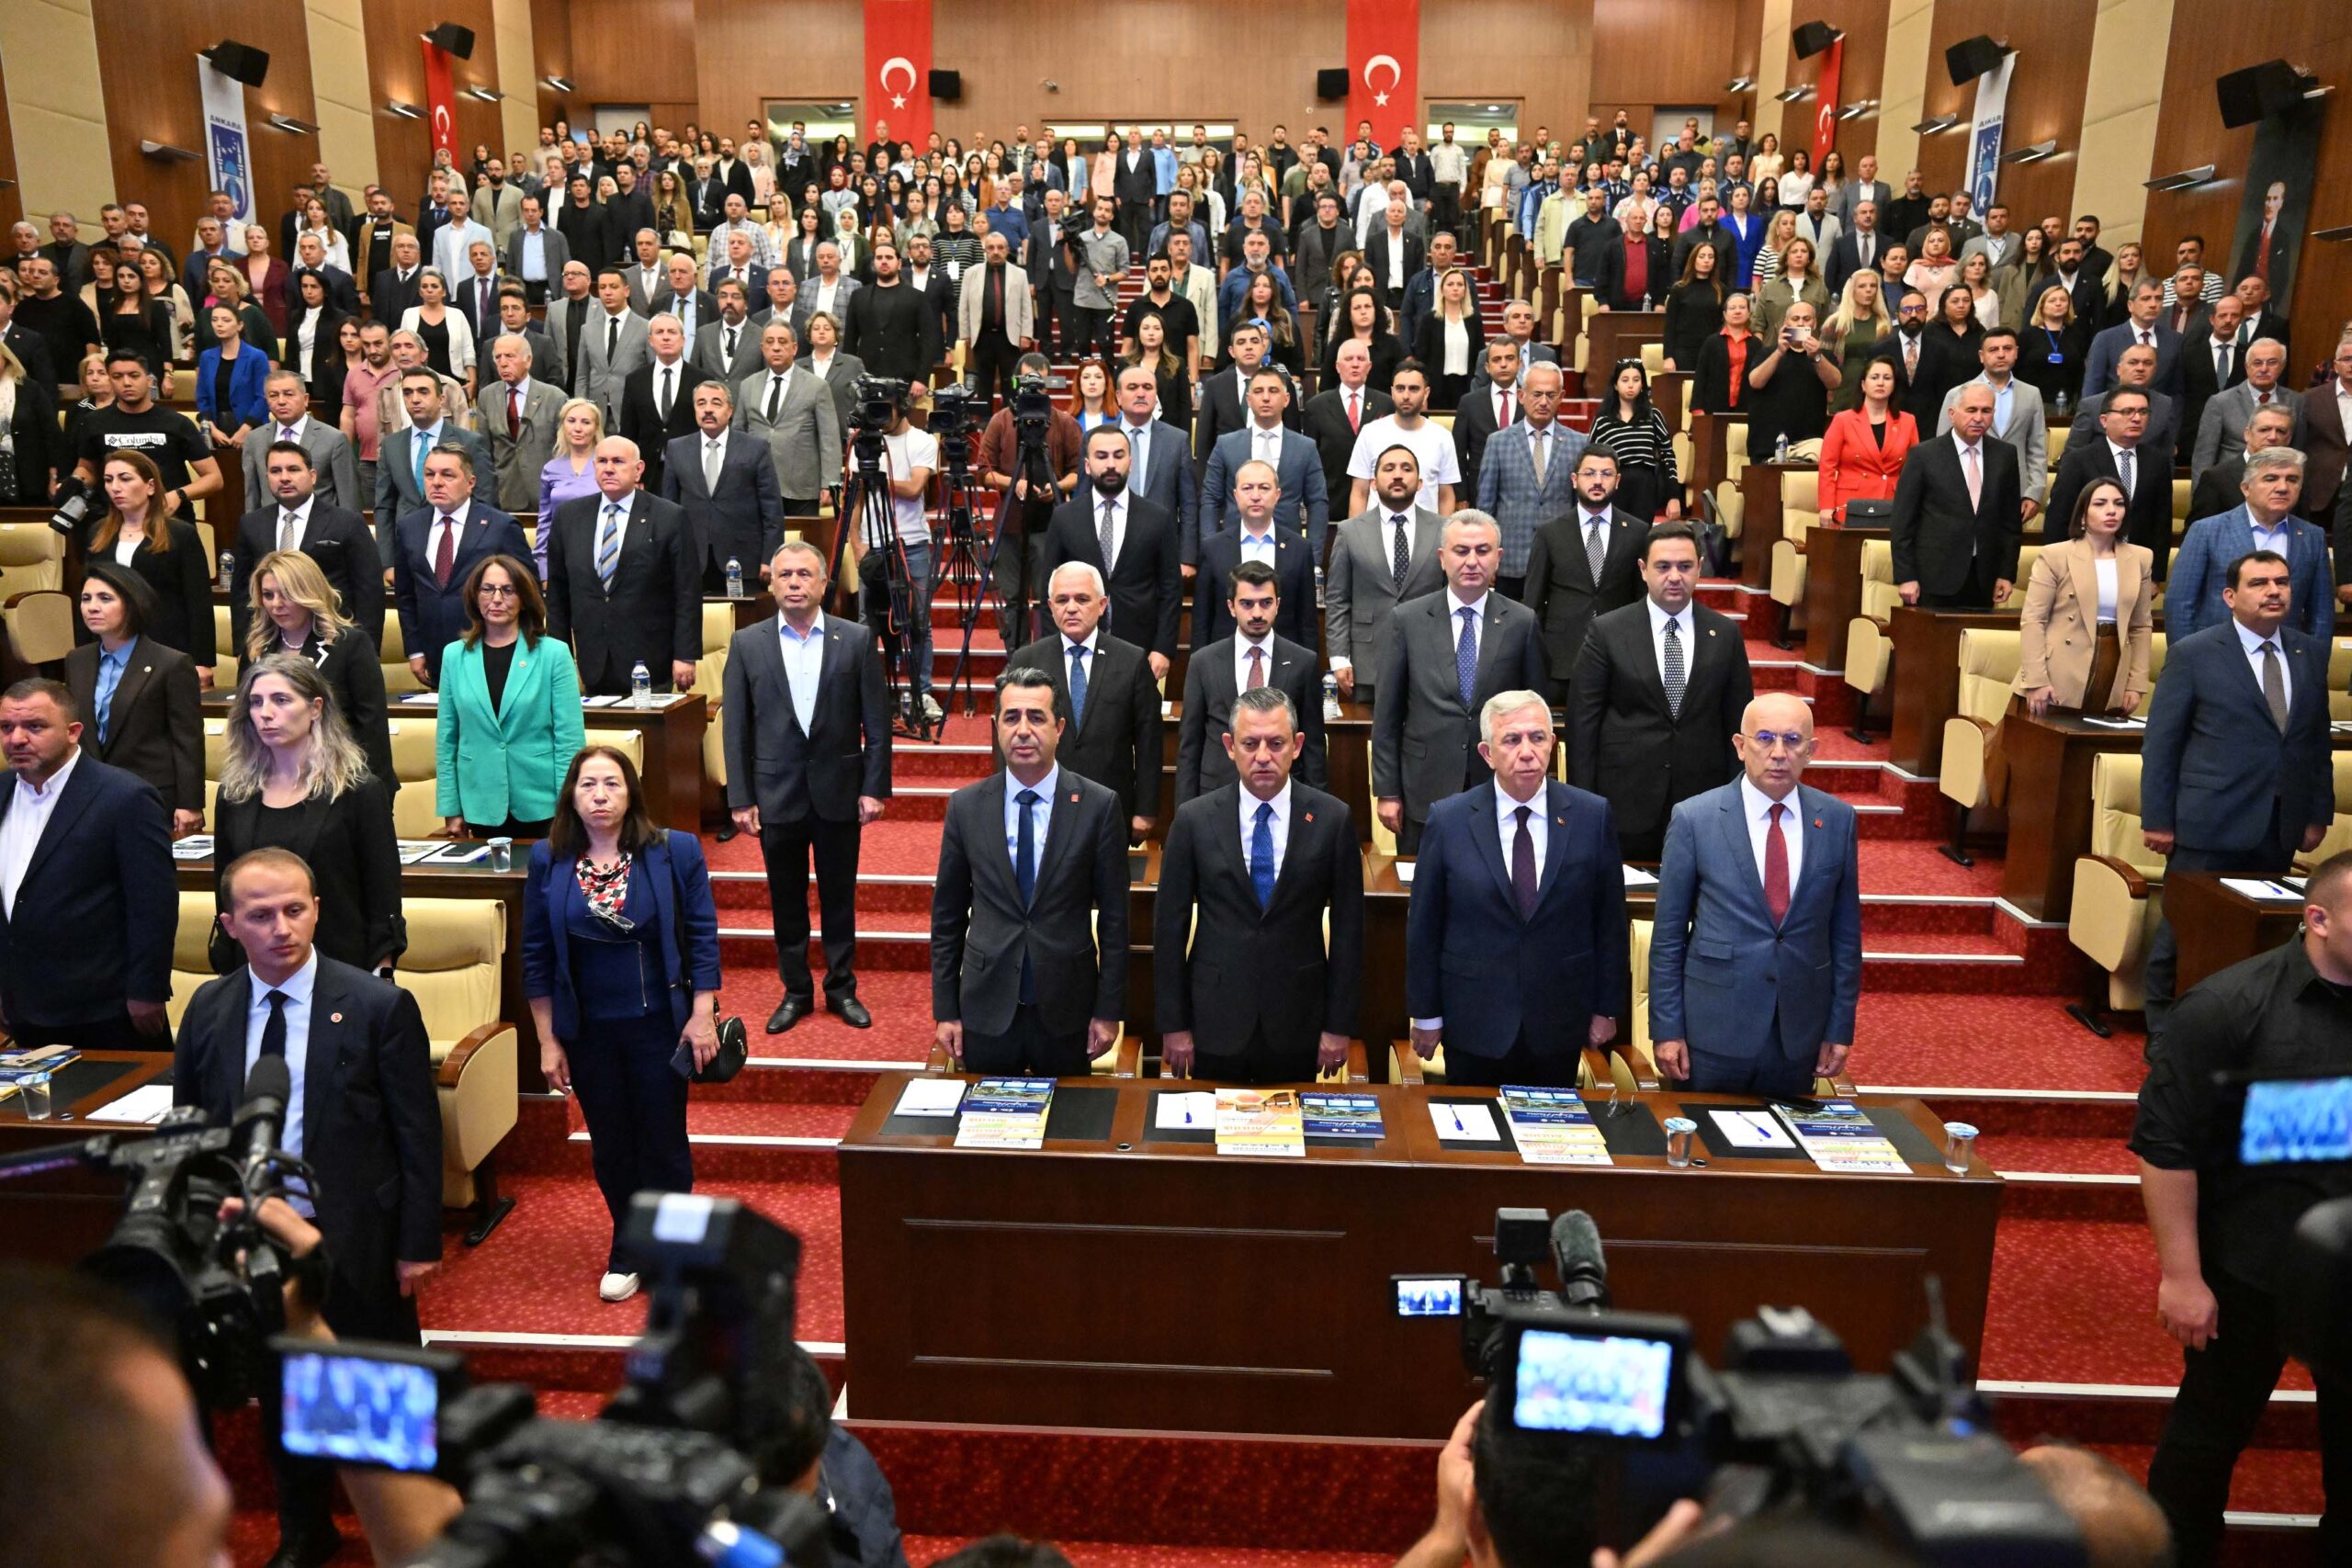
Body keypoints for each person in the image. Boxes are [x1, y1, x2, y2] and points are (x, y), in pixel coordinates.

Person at [2131, 854, 2352, 1567]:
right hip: (2250, 1269)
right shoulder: (2227, 1006)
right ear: (2317, 919)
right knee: (2204, 1443)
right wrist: (2182, 1276)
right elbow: (2167, 1147)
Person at [524, 745, 719, 1302]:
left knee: (663, 1143)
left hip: (660, 1025)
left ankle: (677, 1251)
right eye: (588, 785)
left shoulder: (673, 851)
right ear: (572, 796)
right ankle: (628, 1247)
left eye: (611, 783)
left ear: (631, 791)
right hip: (588, 1032)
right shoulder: (548, 858)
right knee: (611, 1145)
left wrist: (702, 1015)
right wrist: (546, 1039)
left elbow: (702, 935)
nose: (600, 795)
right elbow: (535, 955)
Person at [2139, 549, 2335, 1033]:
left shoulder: (2307, 652)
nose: (2274, 591)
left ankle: (2247, 1033)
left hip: (2279, 822)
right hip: (2208, 822)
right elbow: (2161, 745)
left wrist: (2317, 812)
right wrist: (2157, 818)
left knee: (2266, 937)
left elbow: (2315, 740)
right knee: (2184, 933)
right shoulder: (2194, 653)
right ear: (2230, 596)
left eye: (2282, 582)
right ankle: (2163, 1036)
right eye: (2259, 583)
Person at [1405, 690, 1627, 1089]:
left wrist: (1605, 1007)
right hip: (1473, 1019)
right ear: (1487, 753)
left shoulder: (1591, 815)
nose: (1527, 751)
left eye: (1537, 738)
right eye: (1512, 740)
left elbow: (1609, 920)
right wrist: (1426, 1014)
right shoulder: (1449, 819)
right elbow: (1425, 926)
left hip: (1558, 1019)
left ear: (1553, 745)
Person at [1649, 690, 1862, 1097]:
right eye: (1765, 739)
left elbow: (1845, 935)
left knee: (1786, 1157)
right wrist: (1667, 1029)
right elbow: (1668, 937)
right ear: (1740, 746)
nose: (1779, 753)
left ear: (1812, 750)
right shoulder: (1695, 818)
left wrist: (1839, 1026)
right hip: (1712, 1032)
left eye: (1792, 740)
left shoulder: (1838, 820)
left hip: (1798, 1034)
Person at [724, 541, 890, 1032]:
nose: (794, 583)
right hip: (777, 794)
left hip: (840, 790)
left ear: (823, 584)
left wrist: (874, 787)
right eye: (785, 575)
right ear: (771, 584)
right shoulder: (747, 642)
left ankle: (841, 988)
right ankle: (796, 990)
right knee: (786, 900)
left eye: (804, 574)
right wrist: (741, 797)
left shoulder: (856, 639)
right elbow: (736, 729)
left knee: (840, 897)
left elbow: (877, 724)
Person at [931, 667, 1128, 1076]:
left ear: (1058, 727)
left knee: (1068, 1132)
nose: (1023, 730)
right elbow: (947, 918)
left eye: (1036, 718)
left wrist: (1108, 1011)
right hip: (986, 1006)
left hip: (1067, 1008)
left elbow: (1115, 921)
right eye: (1011, 717)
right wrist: (946, 1009)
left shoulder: (1098, 805)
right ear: (996, 726)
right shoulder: (966, 807)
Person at [1157, 687, 1360, 1084]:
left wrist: (1338, 1025)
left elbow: (1350, 933)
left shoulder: (1333, 819)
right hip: (1213, 1020)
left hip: (1298, 1019)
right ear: (1230, 747)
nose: (1263, 756)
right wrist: (1173, 1024)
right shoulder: (1194, 820)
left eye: (1276, 743)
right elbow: (1168, 930)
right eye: (1250, 743)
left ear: (1298, 746)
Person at [1566, 522, 1756, 863]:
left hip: (1703, 800)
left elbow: (1738, 725)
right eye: (1663, 567)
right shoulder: (1608, 631)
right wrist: (1585, 802)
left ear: (1699, 567)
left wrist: (1736, 799)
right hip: (1626, 798)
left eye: (1684, 566)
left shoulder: (1724, 633)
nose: (1674, 576)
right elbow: (1583, 723)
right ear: (1643, 570)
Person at [0, 679, 175, 1049]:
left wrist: (147, 988)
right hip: (24, 1007)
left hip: (107, 1010)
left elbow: (153, 904)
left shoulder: (124, 797)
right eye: (6, 727)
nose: (16, 739)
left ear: (73, 732)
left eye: (34, 727)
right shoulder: (1, 792)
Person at [210, 652, 402, 981]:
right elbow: (226, 896)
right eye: (256, 703)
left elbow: (382, 897)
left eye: (281, 700)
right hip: (255, 972)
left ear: (315, 708)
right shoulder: (234, 794)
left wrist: (380, 976)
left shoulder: (358, 791)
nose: (266, 714)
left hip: (343, 969)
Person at [1373, 513, 1547, 852]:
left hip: (1499, 785)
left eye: (1482, 551)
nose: (1471, 561)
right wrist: (1387, 791)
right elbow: (1387, 714)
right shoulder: (1407, 620)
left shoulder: (1521, 622)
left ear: (1498, 558)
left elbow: (1534, 712)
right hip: (1423, 786)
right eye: (1461, 550)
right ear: (1442, 557)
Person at [434, 555, 585, 839]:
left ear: (524, 598)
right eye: (487, 589)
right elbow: (447, 739)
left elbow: (570, 740)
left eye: (508, 590)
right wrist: (451, 808)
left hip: (542, 803)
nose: (497, 598)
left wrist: (570, 805)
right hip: (480, 802)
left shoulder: (553, 654)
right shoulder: (454, 655)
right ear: (475, 596)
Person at [1011, 563, 1162, 841]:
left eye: (1082, 599)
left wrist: (1145, 809)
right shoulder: (1027, 660)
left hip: (1110, 807)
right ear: (1050, 606)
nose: (1071, 608)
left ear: (1102, 604)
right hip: (1042, 806)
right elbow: (1009, 737)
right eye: (1062, 600)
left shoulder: (1131, 660)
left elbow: (1148, 740)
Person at [63, 563, 202, 835]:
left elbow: (187, 738)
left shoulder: (171, 663)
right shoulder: (77, 660)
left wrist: (190, 803)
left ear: (131, 603)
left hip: (149, 794)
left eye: (105, 599)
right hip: (89, 792)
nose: (92, 607)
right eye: (86, 599)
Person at [1175, 558, 1328, 805]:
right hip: (1215, 793)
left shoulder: (1304, 662)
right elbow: (1189, 746)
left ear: (1278, 605)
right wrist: (1184, 811)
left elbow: (1314, 748)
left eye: (1266, 603)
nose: (1257, 613)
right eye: (1247, 604)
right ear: (1231, 606)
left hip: (1284, 794)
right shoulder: (1203, 662)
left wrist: (1316, 809)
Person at [245, 547, 394, 791]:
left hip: (339, 780)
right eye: (268, 595)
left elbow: (372, 726)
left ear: (308, 593)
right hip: (272, 780)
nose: (276, 605)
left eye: (286, 594)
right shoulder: (257, 648)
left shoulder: (350, 643)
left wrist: (375, 792)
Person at [1041, 425, 1182, 671]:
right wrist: (1054, 647)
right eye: (1101, 456)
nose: (1110, 464)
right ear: (1087, 465)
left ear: (1130, 462)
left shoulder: (1158, 518)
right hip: (1077, 645)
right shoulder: (1064, 518)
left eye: (1118, 456)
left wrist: (1163, 648)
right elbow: (1048, 590)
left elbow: (1171, 589)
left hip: (1141, 648)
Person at [2013, 479, 2156, 719]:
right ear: (2082, 515)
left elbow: (2141, 626)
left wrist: (2136, 683)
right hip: (2058, 671)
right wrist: (2036, 680)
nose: (2111, 510)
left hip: (2111, 668)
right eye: (2100, 504)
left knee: (2092, 749)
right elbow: (2033, 620)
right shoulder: (2055, 555)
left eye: (2119, 504)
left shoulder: (2141, 558)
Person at [392, 442, 530, 686]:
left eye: (447, 475)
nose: (436, 482)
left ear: (470, 482)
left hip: (494, 653)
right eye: (429, 474)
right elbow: (406, 596)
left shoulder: (501, 527)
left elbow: (527, 592)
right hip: (435, 657)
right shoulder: (408, 527)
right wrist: (414, 650)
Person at [1522, 447, 1650, 704]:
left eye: (1606, 474)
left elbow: (1643, 601)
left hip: (1620, 657)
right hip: (1561, 661)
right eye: (1589, 473)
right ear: (1574, 480)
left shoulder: (1637, 532)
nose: (1598, 481)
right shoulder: (1550, 533)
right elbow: (1533, 605)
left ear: (1618, 481)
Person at [847, 379, 941, 723]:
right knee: (865, 622)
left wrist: (876, 476)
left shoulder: (922, 440)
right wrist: (855, 542)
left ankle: (922, 690)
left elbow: (916, 487)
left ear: (902, 405)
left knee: (919, 621)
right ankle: (869, 692)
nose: (881, 416)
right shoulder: (864, 441)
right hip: (871, 543)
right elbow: (855, 497)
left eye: (887, 407)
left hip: (911, 542)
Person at [2167, 448, 2330, 643]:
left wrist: (2314, 666)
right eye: (2271, 479)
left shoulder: (2312, 537)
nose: (2283, 487)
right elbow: (2180, 605)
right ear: (2246, 488)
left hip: (2285, 657)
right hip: (2217, 656)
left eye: (2292, 480)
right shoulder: (2207, 531)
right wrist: (2188, 664)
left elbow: (2321, 614)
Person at [83, 447, 219, 681]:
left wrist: (202, 661)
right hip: (110, 648)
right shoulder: (98, 532)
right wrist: (85, 653)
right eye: (108, 480)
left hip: (167, 646)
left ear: (150, 486)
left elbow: (199, 602)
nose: (115, 487)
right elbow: (87, 594)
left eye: (125, 478)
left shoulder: (180, 534)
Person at [1329, 445, 1446, 707]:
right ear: (1373, 482)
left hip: (1430, 659)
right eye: (1388, 468)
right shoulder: (1350, 531)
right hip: (1368, 661)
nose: (1397, 475)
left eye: (1406, 469)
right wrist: (1339, 657)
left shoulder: (1443, 529)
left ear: (1419, 483)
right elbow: (1338, 599)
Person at [1890, 382, 2021, 609]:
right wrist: (1906, 576)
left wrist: (2006, 573)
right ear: (1952, 414)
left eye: (1986, 411)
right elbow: (1903, 522)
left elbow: (2010, 523)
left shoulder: (2005, 455)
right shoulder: (1924, 456)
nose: (1979, 418)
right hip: (1934, 577)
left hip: (1983, 577)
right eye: (1971, 410)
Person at [1474, 363, 1587, 600]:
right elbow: (1486, 506)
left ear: (1562, 398)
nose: (1543, 401)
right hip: (1512, 562)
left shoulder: (1579, 444)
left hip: (1561, 561)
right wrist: (1487, 553)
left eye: (1550, 395)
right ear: (1522, 396)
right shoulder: (1498, 442)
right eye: (1537, 394)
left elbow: (1581, 507)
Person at [662, 379, 783, 593]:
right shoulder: (676, 448)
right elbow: (669, 510)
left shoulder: (755, 448)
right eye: (701, 403)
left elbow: (772, 509)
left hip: (744, 561)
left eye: (716, 403)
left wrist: (769, 557)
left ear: (730, 410)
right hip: (692, 561)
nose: (708, 409)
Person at [1192, 460, 1316, 649]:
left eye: (1264, 488)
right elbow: (1202, 620)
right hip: (1225, 660)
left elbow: (1307, 622)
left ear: (1277, 495)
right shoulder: (1212, 548)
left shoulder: (1300, 549)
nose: (1255, 496)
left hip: (1285, 662)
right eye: (1247, 488)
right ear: (1235, 495)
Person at [735, 319, 843, 524]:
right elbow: (738, 433)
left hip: (801, 487)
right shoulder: (748, 385)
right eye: (770, 342)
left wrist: (829, 483)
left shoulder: (816, 386)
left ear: (794, 348)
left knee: (801, 547)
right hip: (755, 483)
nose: (776, 347)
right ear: (762, 347)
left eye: (782, 342)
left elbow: (829, 439)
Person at [374, 366, 494, 529]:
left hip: (456, 540)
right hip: (405, 544)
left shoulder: (470, 442)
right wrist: (386, 554)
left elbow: (485, 501)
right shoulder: (391, 445)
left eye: (423, 392)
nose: (414, 399)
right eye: (408, 393)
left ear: (441, 399)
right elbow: (384, 507)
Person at [1818, 358, 1918, 522]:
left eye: (1887, 378)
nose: (1880, 383)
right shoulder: (1843, 420)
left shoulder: (1908, 422)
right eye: (1874, 377)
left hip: (1892, 504)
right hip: (1850, 505)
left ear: (1894, 385)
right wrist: (1826, 507)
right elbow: (1827, 467)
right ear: (1863, 385)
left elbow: (1914, 470)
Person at [1744, 299, 1841, 464]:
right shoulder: (1767, 352)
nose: (1801, 323)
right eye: (1795, 319)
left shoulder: (1823, 356)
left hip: (1809, 445)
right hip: (1767, 445)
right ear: (1785, 323)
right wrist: (1780, 351)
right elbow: (1755, 382)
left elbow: (1835, 383)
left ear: (1815, 324)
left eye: (1806, 319)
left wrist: (1816, 356)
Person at [2191, 338, 2302, 477]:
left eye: (2272, 362)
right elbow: (2203, 458)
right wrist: (2201, 495)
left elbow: (2298, 451)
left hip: (2278, 483)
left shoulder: (2296, 401)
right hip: (2231, 483)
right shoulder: (2221, 402)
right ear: (2246, 366)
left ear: (2282, 366)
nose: (2264, 369)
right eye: (2257, 363)